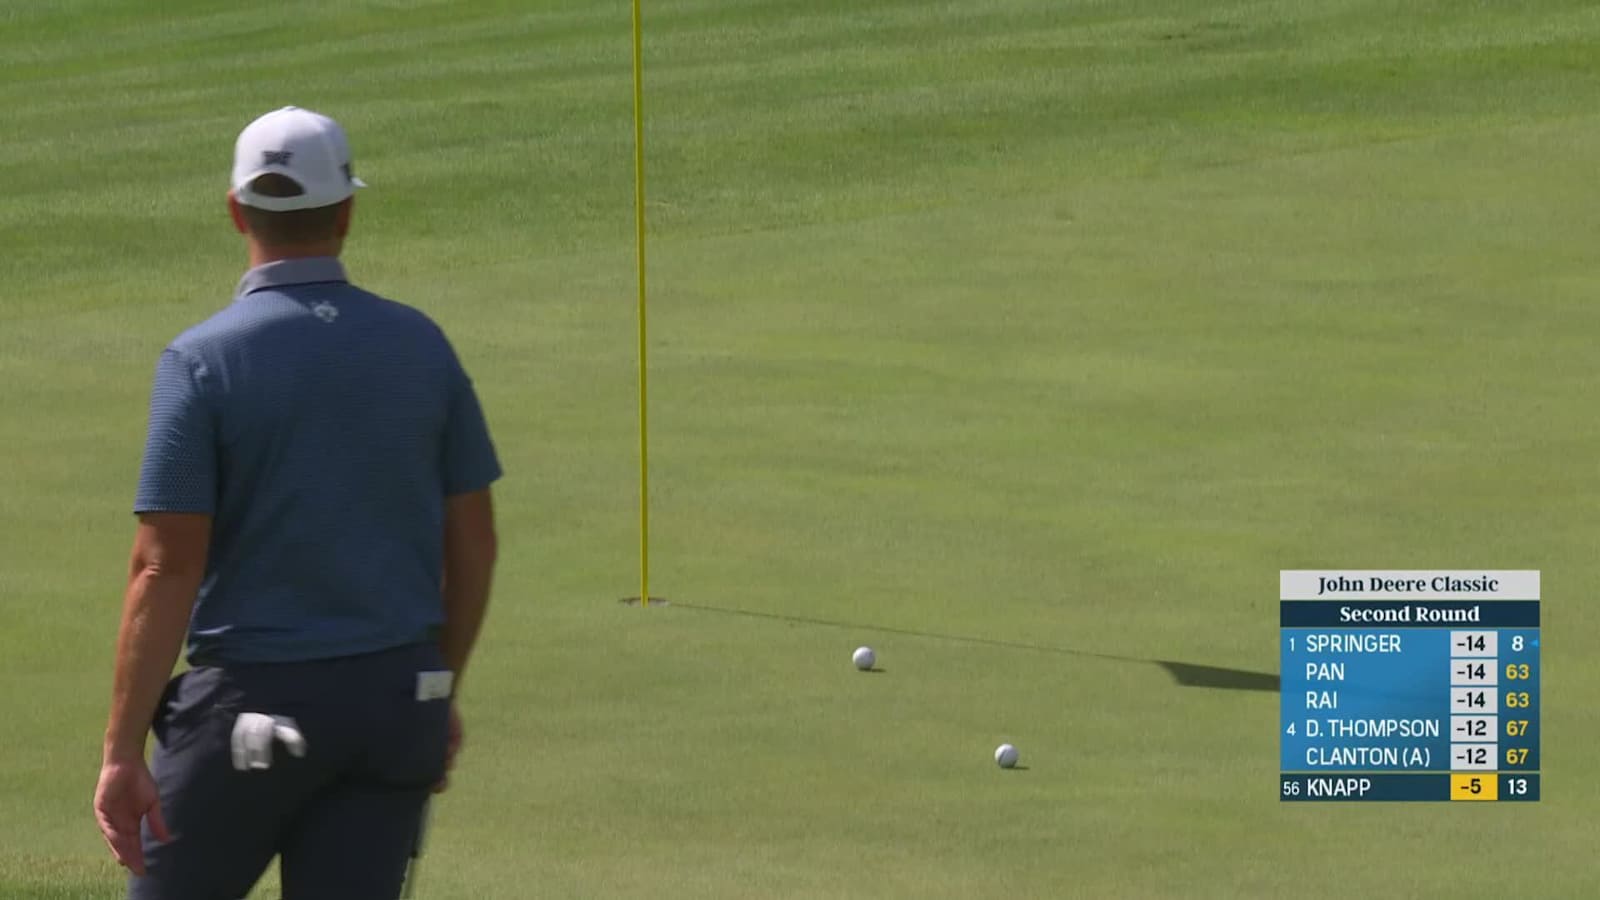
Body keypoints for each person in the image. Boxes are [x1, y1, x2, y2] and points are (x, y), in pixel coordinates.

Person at [92, 106, 502, 899]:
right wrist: (434, 684)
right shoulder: (422, 345)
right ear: (346, 211)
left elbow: (163, 567)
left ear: (237, 210)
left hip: (247, 712)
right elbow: (475, 541)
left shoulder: (202, 361)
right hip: (392, 707)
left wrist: (119, 753)